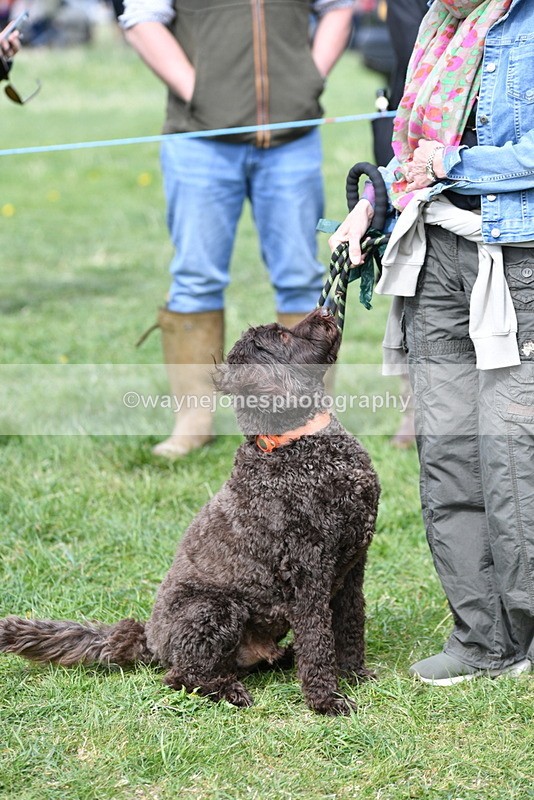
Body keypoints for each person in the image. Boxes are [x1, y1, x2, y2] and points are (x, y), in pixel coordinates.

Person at [330, 0, 534, 685]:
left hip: (518, 255)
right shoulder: (439, 21)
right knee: (448, 448)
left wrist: (448, 162)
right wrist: (372, 204)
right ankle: (481, 639)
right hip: (434, 251)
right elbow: (408, 154)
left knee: (515, 455)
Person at [119, 0, 354, 459]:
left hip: (293, 139)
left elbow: (339, 7)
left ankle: (308, 417)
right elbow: (140, 19)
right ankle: (193, 421)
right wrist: (199, 91)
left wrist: (310, 78)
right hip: (199, 142)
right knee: (195, 277)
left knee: (300, 279)